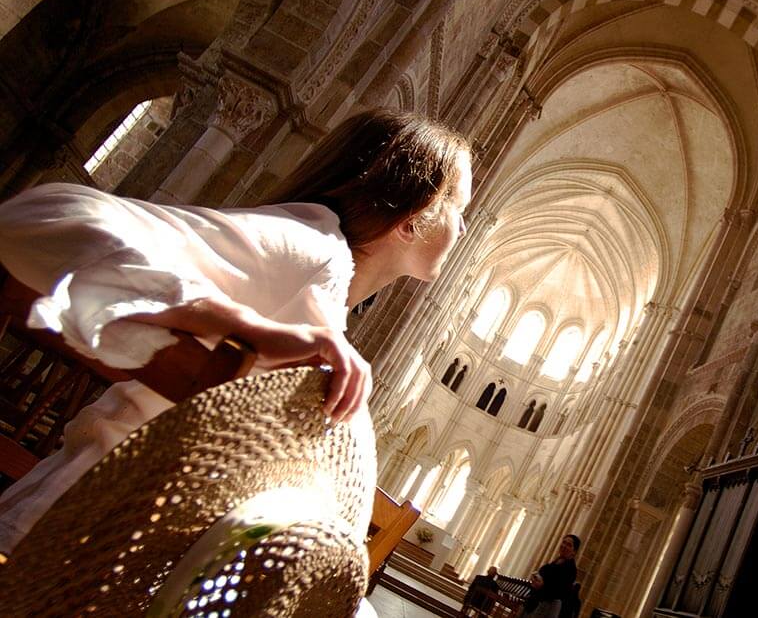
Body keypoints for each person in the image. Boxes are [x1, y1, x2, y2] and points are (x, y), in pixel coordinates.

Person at [0, 108, 473, 555]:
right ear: (413, 219)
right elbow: (43, 215)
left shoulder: (329, 287)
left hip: (121, 556)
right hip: (68, 550)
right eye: (459, 207)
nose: (465, 227)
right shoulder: (314, 248)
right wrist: (243, 325)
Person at [522, 534, 580, 618]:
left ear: (574, 551)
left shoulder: (570, 569)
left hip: (548, 606)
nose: (564, 546)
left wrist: (542, 585)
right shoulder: (555, 562)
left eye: (569, 545)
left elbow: (560, 591)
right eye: (564, 542)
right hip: (535, 602)